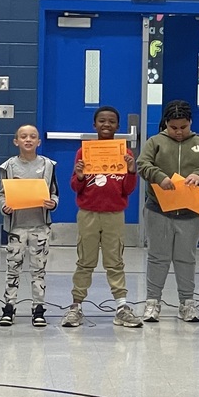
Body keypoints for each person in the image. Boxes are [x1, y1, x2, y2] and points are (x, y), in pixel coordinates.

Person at [135, 100, 199, 324]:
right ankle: (152, 302)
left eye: (183, 127)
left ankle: (187, 303)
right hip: (158, 210)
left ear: (190, 123)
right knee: (157, 257)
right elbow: (142, 164)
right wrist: (159, 176)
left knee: (186, 258)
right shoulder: (155, 142)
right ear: (166, 124)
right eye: (174, 127)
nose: (179, 132)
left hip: (192, 211)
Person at [65, 106, 142, 328]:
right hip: (88, 213)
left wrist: (131, 171)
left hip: (114, 215)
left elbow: (128, 189)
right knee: (85, 261)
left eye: (111, 121)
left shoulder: (125, 154)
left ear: (118, 126)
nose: (106, 125)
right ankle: (76, 306)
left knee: (115, 261)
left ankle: (121, 306)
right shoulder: (83, 153)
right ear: (94, 125)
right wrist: (79, 176)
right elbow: (75, 186)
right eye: (101, 121)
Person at [0, 124, 59, 327]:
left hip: (40, 226)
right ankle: (9, 306)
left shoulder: (48, 165)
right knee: (13, 267)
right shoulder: (8, 167)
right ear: (16, 141)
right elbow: (2, 194)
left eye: (33, 136)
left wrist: (53, 203)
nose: (28, 140)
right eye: (23, 136)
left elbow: (54, 192)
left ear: (39, 142)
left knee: (38, 269)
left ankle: (38, 308)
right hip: (17, 227)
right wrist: (4, 206)